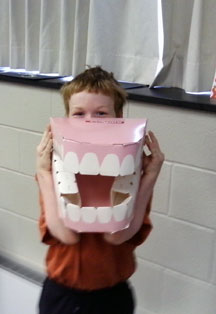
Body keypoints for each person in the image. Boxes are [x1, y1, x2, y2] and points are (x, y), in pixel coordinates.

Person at [36, 66, 164, 314]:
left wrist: (150, 176)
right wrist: (43, 174)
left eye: (101, 113)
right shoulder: (53, 172)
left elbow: (115, 236)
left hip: (112, 296)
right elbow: (67, 235)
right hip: (62, 294)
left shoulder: (132, 172)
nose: (89, 121)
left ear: (119, 117)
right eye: (79, 113)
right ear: (66, 118)